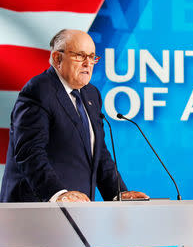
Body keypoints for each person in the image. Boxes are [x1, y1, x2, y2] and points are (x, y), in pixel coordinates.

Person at [0, 29, 148, 202]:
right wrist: (58, 194)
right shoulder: (39, 90)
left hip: (79, 210)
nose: (88, 63)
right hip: (37, 208)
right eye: (80, 55)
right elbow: (29, 151)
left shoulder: (91, 94)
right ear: (57, 58)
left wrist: (118, 193)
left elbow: (98, 153)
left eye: (92, 57)